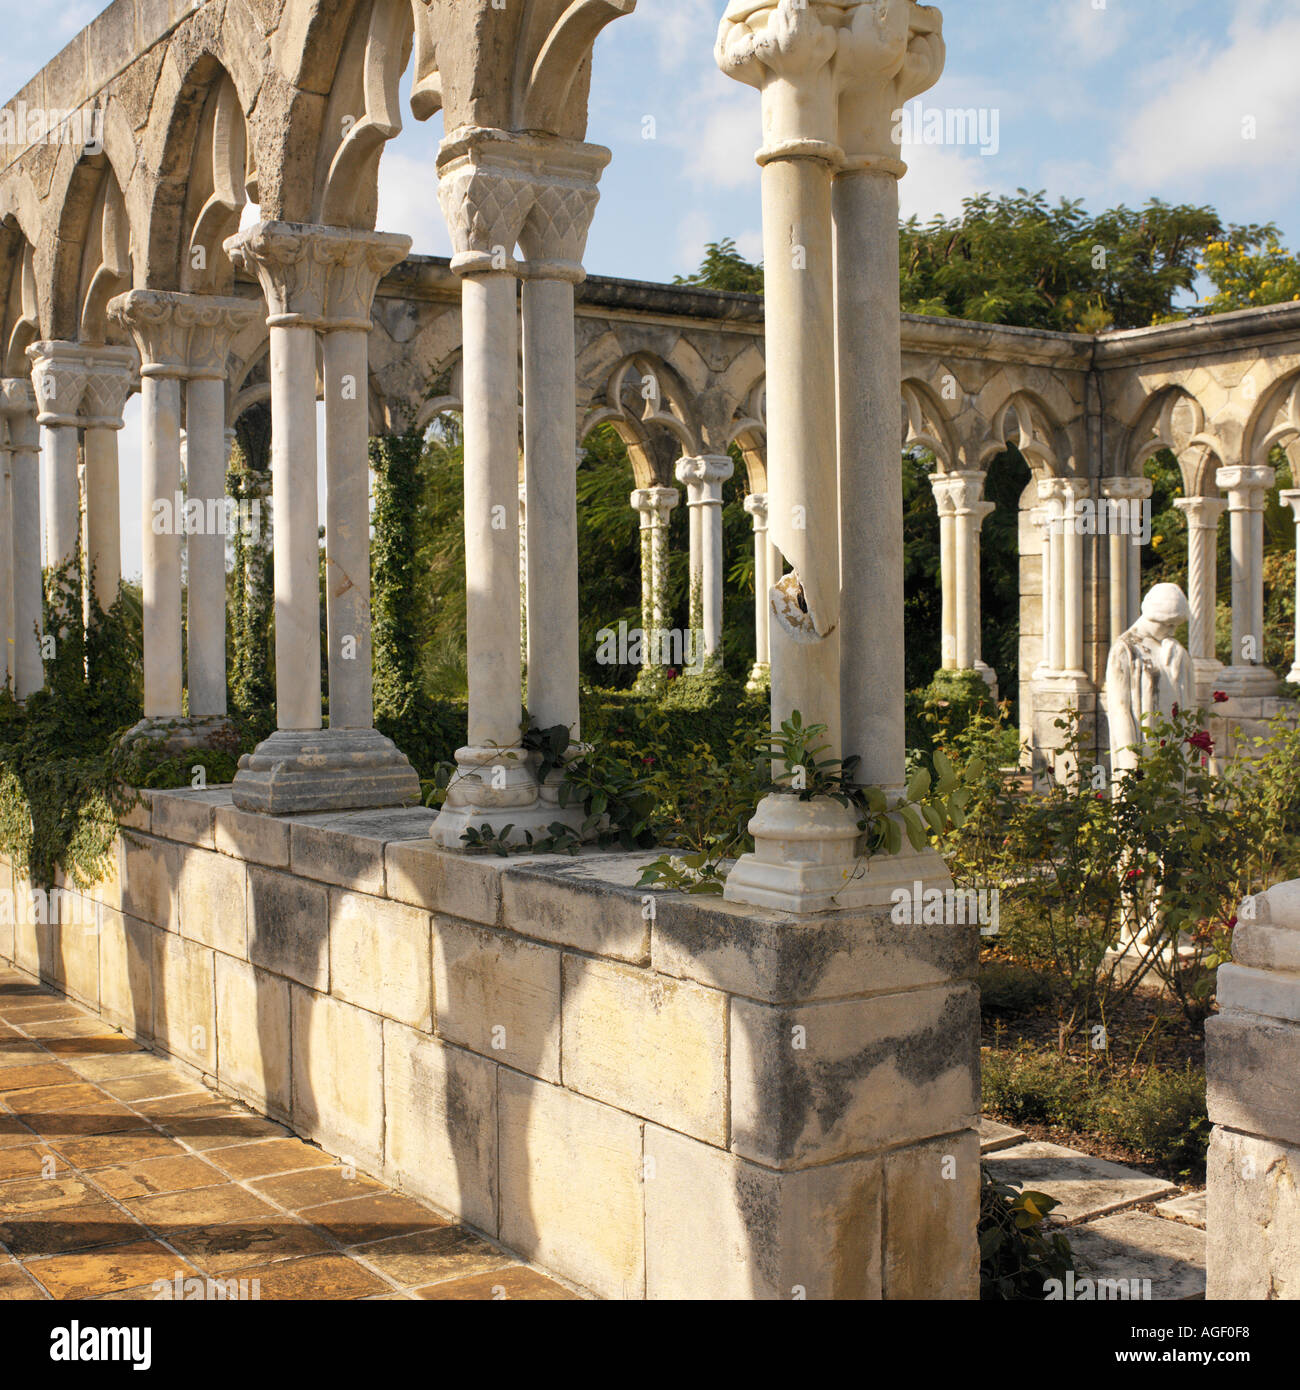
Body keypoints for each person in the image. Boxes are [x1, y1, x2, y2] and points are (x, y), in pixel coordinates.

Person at [1105, 582, 1196, 778]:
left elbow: (1187, 703)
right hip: (1143, 748)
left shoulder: (1173, 648)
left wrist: (1179, 665)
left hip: (1172, 749)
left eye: (1175, 626)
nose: (1171, 631)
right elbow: (1120, 709)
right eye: (1167, 625)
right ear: (1152, 616)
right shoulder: (1125, 649)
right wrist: (1130, 760)